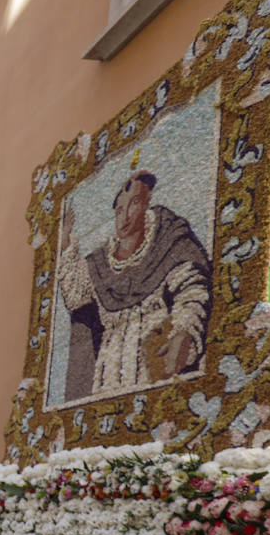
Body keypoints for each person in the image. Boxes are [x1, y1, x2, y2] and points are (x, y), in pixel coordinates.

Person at [57, 170, 212, 399]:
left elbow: (192, 290)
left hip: (154, 366)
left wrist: (185, 330)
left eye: (134, 204)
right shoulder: (101, 262)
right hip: (107, 375)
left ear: (147, 203)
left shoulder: (167, 240)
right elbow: (76, 296)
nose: (125, 216)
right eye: (119, 210)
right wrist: (65, 240)